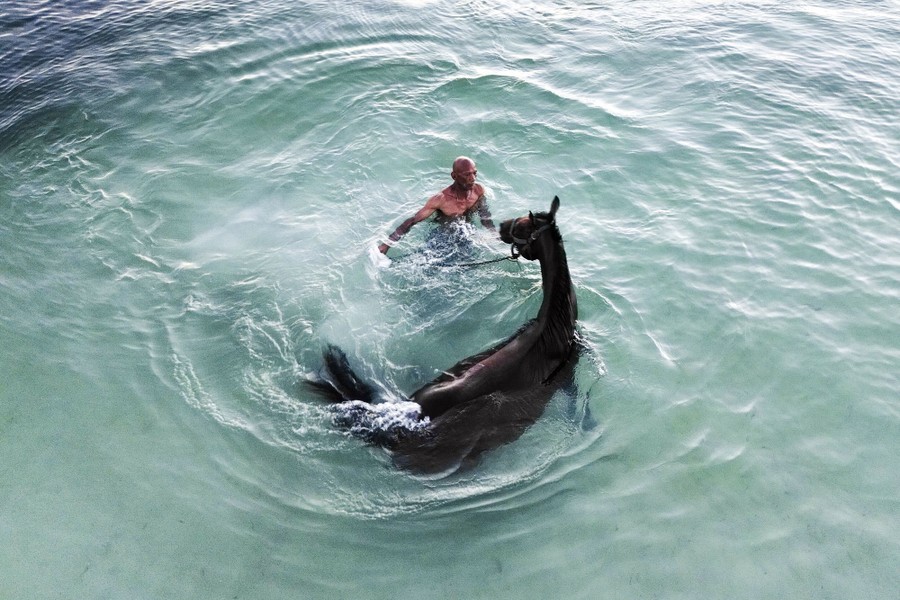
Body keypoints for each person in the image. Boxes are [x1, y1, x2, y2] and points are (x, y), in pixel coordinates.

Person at [378, 156, 495, 255]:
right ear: (454, 176)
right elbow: (412, 221)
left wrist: (494, 235)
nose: (473, 179)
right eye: (467, 175)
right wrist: (387, 244)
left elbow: (485, 216)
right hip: (442, 238)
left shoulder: (478, 190)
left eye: (475, 173)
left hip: (468, 235)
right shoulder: (440, 199)